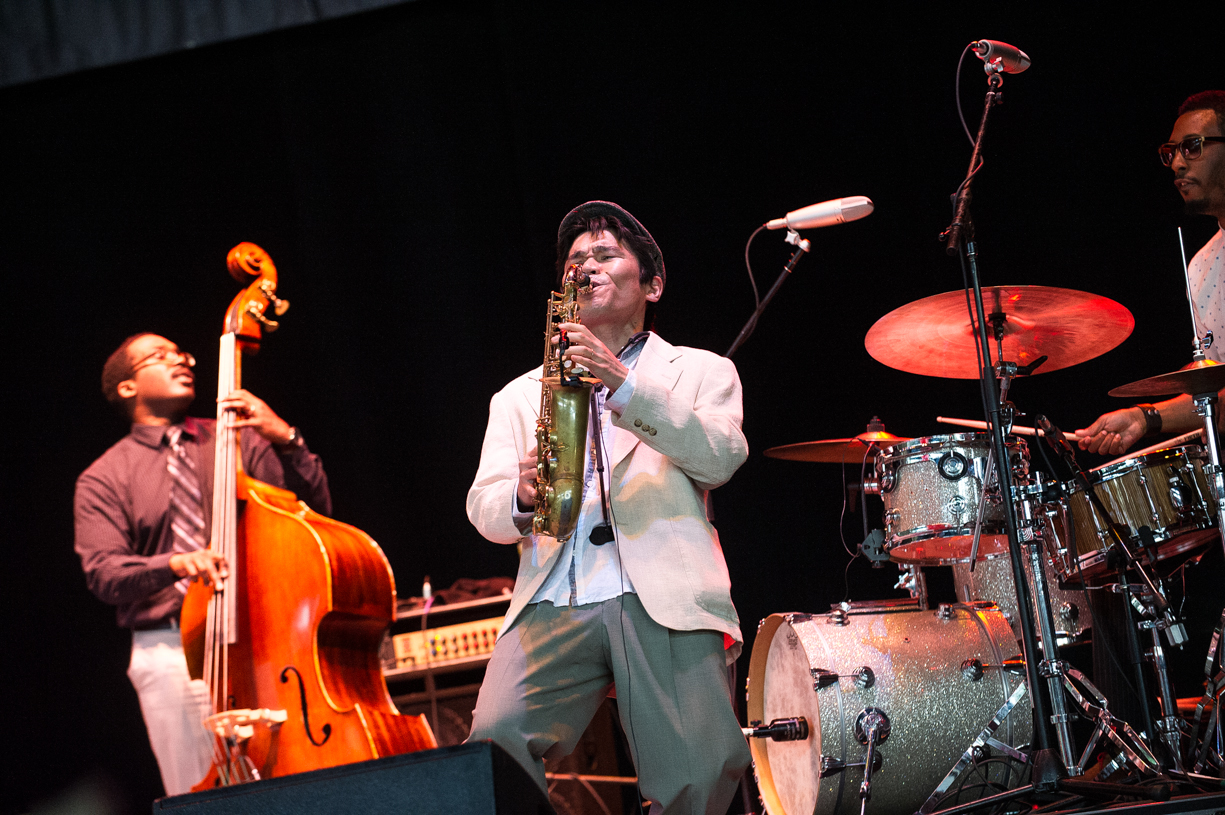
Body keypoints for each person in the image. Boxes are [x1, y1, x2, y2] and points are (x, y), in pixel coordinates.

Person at [465, 201, 751, 814]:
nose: (586, 267)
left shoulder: (701, 371)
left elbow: (721, 457)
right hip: (554, 597)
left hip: (661, 594)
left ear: (652, 284)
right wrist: (519, 496)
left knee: (695, 778)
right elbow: (483, 506)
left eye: (604, 255)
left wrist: (623, 384)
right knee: (492, 745)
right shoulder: (518, 395)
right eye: (575, 260)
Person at [74, 332, 331, 796]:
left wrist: (288, 439)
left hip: (263, 641)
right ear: (127, 387)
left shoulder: (236, 439)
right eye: (160, 356)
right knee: (200, 796)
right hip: (171, 651)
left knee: (297, 785)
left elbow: (311, 517)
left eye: (182, 354)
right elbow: (104, 574)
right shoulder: (103, 477)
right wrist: (175, 563)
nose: (180, 360)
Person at [1077, 91, 1225, 454]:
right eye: (1171, 152)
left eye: (1192, 147)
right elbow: (1216, 396)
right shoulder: (1202, 267)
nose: (1176, 164)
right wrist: (1145, 418)